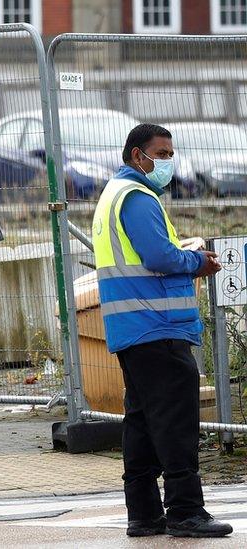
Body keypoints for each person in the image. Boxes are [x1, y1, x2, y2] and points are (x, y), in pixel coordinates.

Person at [92, 124, 230, 538]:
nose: (168, 161)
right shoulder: (136, 197)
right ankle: (186, 511)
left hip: (134, 326)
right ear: (138, 155)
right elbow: (157, 256)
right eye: (162, 153)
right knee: (175, 422)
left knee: (142, 421)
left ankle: (145, 513)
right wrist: (196, 262)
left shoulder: (113, 194)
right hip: (158, 324)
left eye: (171, 153)